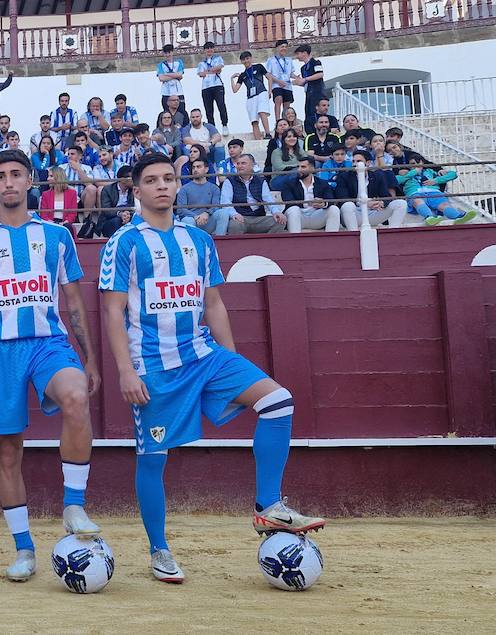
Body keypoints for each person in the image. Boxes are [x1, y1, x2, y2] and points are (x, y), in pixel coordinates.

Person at [99, 152, 326, 584]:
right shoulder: (124, 242)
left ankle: (268, 506)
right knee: (153, 459)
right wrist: (126, 371)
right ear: (137, 189)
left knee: (278, 401)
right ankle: (159, 549)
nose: (162, 186)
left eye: (168, 178)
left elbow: (213, 302)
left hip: (204, 355)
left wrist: (232, 356)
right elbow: (112, 313)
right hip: (154, 367)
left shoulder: (199, 240)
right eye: (151, 180)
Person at [0, 148, 102, 582]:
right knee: (7, 450)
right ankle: (23, 549)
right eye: (1, 176)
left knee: (75, 396)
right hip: (0, 351)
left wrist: (89, 357)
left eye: (17, 174)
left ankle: (73, 504)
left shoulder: (57, 237)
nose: (9, 182)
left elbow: (74, 300)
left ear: (30, 180)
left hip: (49, 343)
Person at [337, 149, 409, 229]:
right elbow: (343, 199)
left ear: (368, 163)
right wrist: (363, 203)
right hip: (354, 213)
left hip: (372, 212)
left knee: (401, 203)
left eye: (358, 161)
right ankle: (354, 235)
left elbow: (386, 196)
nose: (355, 164)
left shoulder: (377, 176)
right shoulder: (344, 176)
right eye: (353, 161)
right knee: (347, 206)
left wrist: (380, 203)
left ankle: (392, 233)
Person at [396, 154, 474, 226]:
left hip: (433, 193)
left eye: (414, 163)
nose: (413, 166)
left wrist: (436, 180)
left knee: (444, 205)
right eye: (410, 165)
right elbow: (397, 180)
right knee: (418, 201)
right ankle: (429, 217)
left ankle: (458, 217)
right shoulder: (406, 174)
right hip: (415, 193)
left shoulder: (431, 172)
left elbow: (453, 175)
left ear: (421, 162)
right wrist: (413, 172)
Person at [218, 153, 285, 233]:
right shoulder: (229, 181)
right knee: (234, 225)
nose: (240, 166)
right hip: (240, 218)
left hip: (259, 218)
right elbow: (225, 202)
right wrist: (234, 214)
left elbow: (268, 199)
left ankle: (266, 245)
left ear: (252, 165)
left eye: (243, 163)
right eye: (238, 163)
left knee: (280, 222)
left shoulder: (261, 180)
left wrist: (276, 212)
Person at [174, 158, 235, 235]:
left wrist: (206, 213)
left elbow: (216, 206)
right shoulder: (184, 189)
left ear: (206, 169)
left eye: (198, 167)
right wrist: (196, 216)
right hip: (193, 221)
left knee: (223, 213)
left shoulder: (214, 188)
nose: (195, 169)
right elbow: (181, 210)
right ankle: (195, 244)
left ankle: (220, 242)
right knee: (187, 220)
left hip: (208, 220)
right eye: (193, 167)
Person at [281, 157, 342, 233]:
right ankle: (295, 242)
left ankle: (331, 241)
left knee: (334, 209)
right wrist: (309, 202)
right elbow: (288, 202)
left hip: (316, 215)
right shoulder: (289, 183)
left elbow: (330, 199)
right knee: (293, 210)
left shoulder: (322, 183)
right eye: (298, 167)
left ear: (312, 169)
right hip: (299, 215)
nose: (299, 169)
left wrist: (323, 203)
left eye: (303, 167)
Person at [232, 51, 272, 140]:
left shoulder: (259, 67)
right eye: (243, 59)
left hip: (261, 92)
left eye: (247, 58)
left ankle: (268, 133)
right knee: (254, 120)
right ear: (241, 61)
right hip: (250, 97)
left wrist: (270, 91)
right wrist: (232, 79)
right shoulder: (242, 75)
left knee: (262, 112)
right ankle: (258, 140)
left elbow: (269, 77)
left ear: (251, 58)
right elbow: (235, 90)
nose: (246, 61)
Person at [197, 42, 229, 128]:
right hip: (206, 87)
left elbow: (219, 67)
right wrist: (213, 70)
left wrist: (207, 71)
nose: (209, 50)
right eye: (207, 48)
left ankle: (224, 125)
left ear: (214, 49)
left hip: (217, 85)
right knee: (209, 109)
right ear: (204, 50)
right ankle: (212, 127)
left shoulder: (218, 58)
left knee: (221, 105)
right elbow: (200, 74)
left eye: (211, 48)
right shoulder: (201, 63)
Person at [267, 39, 295, 119]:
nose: (284, 48)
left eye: (286, 47)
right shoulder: (271, 60)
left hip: (287, 85)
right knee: (278, 99)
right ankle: (278, 120)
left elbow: (291, 73)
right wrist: (278, 81)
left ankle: (286, 121)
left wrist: (297, 77)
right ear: (277, 48)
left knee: (287, 104)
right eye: (282, 46)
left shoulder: (289, 60)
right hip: (276, 85)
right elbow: (268, 74)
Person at [156, 45, 186, 116]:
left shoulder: (178, 62)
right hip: (166, 93)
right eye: (166, 53)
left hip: (178, 92)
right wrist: (175, 76)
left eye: (169, 52)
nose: (167, 55)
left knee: (181, 113)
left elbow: (180, 74)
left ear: (172, 52)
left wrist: (166, 74)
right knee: (167, 114)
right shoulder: (160, 65)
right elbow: (161, 78)